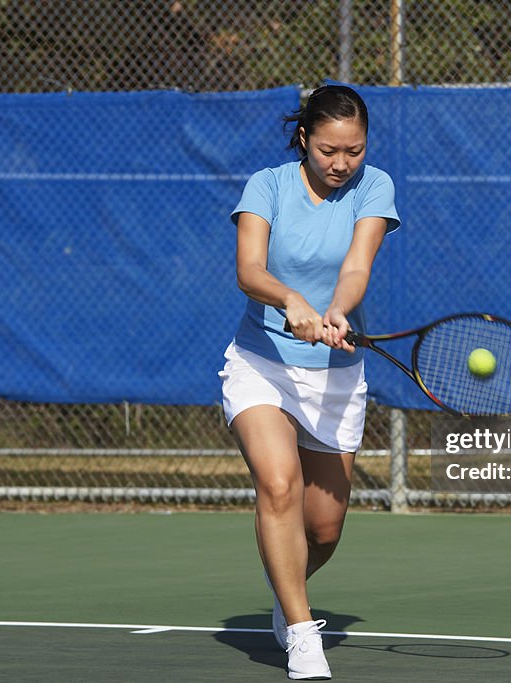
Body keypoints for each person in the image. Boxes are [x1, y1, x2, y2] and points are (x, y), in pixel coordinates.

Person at [219, 84, 400, 680]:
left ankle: (286, 589)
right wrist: (290, 299)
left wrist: (339, 310)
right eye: (329, 150)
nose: (342, 163)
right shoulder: (266, 185)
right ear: (304, 138)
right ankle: (301, 635)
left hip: (336, 378)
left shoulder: (375, 186)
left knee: (323, 529)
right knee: (278, 483)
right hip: (262, 362)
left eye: (354, 150)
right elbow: (250, 269)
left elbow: (356, 265)